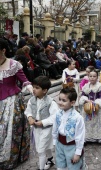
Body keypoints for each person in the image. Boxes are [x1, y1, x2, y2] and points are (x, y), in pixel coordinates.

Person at [0, 38, 33, 169]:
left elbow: (24, 81)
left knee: (10, 130)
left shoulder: (13, 64)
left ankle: (9, 158)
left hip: (12, 101)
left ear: (3, 50)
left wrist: (32, 90)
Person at [25, 76, 58, 170]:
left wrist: (43, 122)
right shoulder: (32, 100)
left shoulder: (51, 102)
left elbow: (55, 116)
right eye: (33, 87)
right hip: (36, 129)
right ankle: (51, 159)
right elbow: (28, 110)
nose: (34, 90)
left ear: (44, 90)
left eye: (37, 88)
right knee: (45, 146)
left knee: (41, 150)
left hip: (46, 129)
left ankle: (41, 168)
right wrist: (30, 117)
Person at [52, 87, 85, 170]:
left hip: (72, 146)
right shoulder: (58, 113)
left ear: (72, 102)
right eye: (59, 99)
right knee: (60, 165)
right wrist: (55, 142)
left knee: (74, 166)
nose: (60, 102)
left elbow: (80, 137)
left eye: (64, 100)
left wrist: (78, 153)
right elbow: (55, 128)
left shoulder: (77, 118)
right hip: (60, 144)